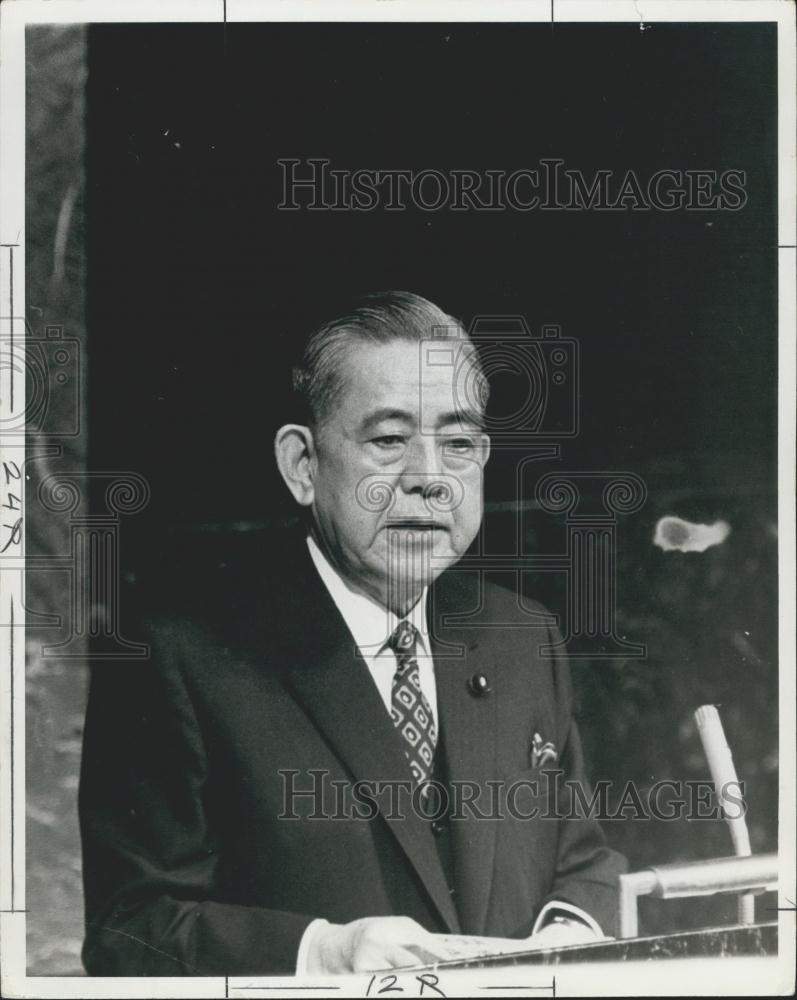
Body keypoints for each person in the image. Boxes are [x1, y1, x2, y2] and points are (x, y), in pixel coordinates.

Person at [79, 290, 626, 976]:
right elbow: (130, 928)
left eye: (457, 444)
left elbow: (581, 858)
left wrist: (568, 935)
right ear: (302, 465)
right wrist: (323, 953)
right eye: (389, 441)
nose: (430, 480)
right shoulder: (181, 656)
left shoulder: (521, 636)